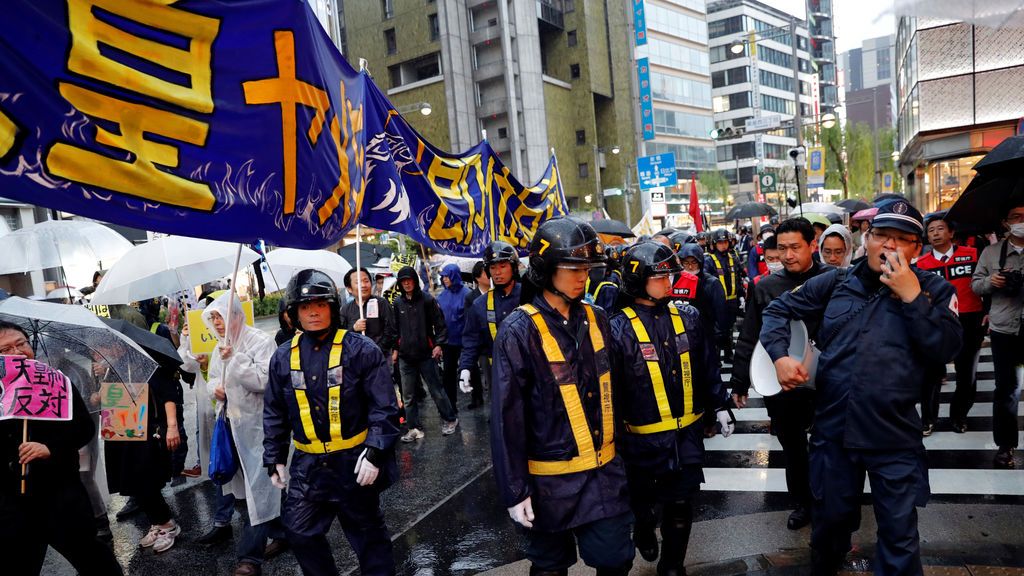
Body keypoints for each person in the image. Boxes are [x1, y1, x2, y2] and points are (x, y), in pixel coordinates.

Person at [760, 200, 962, 575]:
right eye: (882, 235)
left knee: (900, 539)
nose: (890, 245)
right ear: (867, 238)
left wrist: (912, 297)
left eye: (902, 239)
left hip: (894, 435)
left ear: (917, 248)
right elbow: (777, 310)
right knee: (828, 531)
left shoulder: (934, 290)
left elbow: (947, 348)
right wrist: (780, 357)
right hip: (833, 433)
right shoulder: (835, 281)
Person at [491, 216, 633, 576]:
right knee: (549, 567)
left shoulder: (598, 318)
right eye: (572, 268)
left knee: (616, 559)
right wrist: (515, 490)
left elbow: (618, 393)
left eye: (586, 268)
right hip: (548, 483)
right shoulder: (518, 331)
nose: (582, 276)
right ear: (546, 269)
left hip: (603, 476)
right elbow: (507, 418)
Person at [263, 269, 400, 576]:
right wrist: (274, 456)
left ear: (333, 308)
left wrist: (375, 451)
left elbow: (385, 408)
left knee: (369, 538)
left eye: (320, 304)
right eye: (305, 306)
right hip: (308, 466)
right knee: (298, 531)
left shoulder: (362, 349)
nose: (313, 312)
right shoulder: (282, 357)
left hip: (354, 462)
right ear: (294, 313)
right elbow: (274, 411)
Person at [610, 242, 732, 576]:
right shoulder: (616, 328)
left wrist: (720, 404)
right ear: (638, 280)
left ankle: (673, 567)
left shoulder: (689, 317)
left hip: (685, 437)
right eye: (660, 277)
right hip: (640, 442)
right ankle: (644, 526)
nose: (669, 282)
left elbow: (707, 365)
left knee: (681, 504)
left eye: (670, 275)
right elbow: (613, 391)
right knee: (643, 503)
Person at [0, 321, 124, 576]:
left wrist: (50, 448)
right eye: (6, 349)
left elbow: (83, 428)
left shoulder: (57, 382)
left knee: (94, 559)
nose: (17, 352)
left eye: (21, 344)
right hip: (11, 501)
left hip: (60, 493)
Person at [731, 217, 826, 531]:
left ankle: (830, 502)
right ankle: (802, 503)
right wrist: (739, 381)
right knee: (793, 447)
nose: (788, 255)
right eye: (782, 248)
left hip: (828, 381)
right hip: (781, 383)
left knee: (829, 445)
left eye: (795, 247)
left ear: (812, 245)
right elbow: (750, 335)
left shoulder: (832, 280)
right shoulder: (765, 287)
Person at [203, 293, 284, 575]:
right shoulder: (219, 346)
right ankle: (282, 532)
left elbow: (266, 381)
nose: (217, 322)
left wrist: (236, 360)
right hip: (230, 427)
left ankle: (250, 559)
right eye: (213, 317)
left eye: (221, 316)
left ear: (237, 314)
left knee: (258, 489)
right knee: (240, 490)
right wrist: (214, 388)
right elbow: (213, 377)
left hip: (257, 429)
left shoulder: (260, 341)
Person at [99, 348, 183, 553]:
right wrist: (101, 385)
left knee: (146, 481)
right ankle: (156, 522)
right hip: (123, 431)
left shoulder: (148, 365)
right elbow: (106, 399)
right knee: (132, 482)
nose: (100, 352)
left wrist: (172, 427)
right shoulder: (111, 369)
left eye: (103, 348)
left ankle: (167, 525)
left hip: (148, 431)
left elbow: (168, 396)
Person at [916, 214, 985, 436]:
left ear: (951, 232)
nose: (935, 233)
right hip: (935, 321)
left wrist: (988, 312)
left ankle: (959, 416)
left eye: (940, 229)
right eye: (931, 230)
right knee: (931, 374)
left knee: (967, 374)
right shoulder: (921, 264)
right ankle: (928, 419)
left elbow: (984, 284)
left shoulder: (972, 255)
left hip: (970, 319)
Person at [971, 200, 1024, 468]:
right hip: (1005, 328)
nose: (1022, 221)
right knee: (1007, 388)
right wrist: (991, 282)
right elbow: (975, 285)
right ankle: (1005, 446)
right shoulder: (991, 253)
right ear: (1005, 222)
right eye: (1016, 216)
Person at [392, 266, 457, 441]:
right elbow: (395, 329)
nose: (407, 284)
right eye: (403, 281)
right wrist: (396, 349)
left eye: (409, 280)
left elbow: (440, 324)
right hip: (406, 356)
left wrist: (438, 344)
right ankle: (413, 427)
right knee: (408, 396)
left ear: (415, 281)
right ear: (399, 284)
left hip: (426, 354)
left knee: (436, 391)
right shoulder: (397, 303)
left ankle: (450, 419)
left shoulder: (427, 300)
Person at [458, 241, 523, 407]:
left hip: (533, 372)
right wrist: (465, 368)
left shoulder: (530, 295)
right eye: (493, 268)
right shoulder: (479, 305)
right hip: (500, 375)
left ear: (514, 267)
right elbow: (471, 340)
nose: (497, 272)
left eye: (503, 266)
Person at [675, 243, 730, 361]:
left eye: (694, 262)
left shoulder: (712, 283)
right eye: (686, 263)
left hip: (707, 335)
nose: (690, 267)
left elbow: (721, 312)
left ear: (700, 262)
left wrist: (719, 335)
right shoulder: (676, 282)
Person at [703, 228, 745, 363]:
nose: (723, 245)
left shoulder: (733, 258)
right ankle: (715, 357)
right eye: (720, 242)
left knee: (729, 329)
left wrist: (741, 295)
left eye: (725, 242)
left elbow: (738, 279)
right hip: (716, 304)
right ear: (714, 244)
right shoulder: (709, 260)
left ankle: (728, 354)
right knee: (717, 331)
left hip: (732, 301)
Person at [437, 263, 472, 414]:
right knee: (448, 372)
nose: (445, 279)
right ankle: (451, 403)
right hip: (448, 340)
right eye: (443, 276)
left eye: (447, 276)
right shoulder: (441, 296)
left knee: (470, 368)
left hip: (465, 338)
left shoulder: (467, 294)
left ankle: (477, 397)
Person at [339, 267, 398, 354]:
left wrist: (377, 351)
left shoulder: (381, 303)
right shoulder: (345, 310)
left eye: (366, 281)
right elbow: (341, 335)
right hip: (356, 357)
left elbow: (391, 331)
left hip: (380, 356)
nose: (363, 285)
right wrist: (354, 328)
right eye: (358, 282)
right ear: (349, 288)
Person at [463, 261, 490, 409]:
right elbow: (470, 325)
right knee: (488, 378)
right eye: (486, 272)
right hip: (482, 345)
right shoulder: (471, 298)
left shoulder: (498, 292)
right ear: (477, 277)